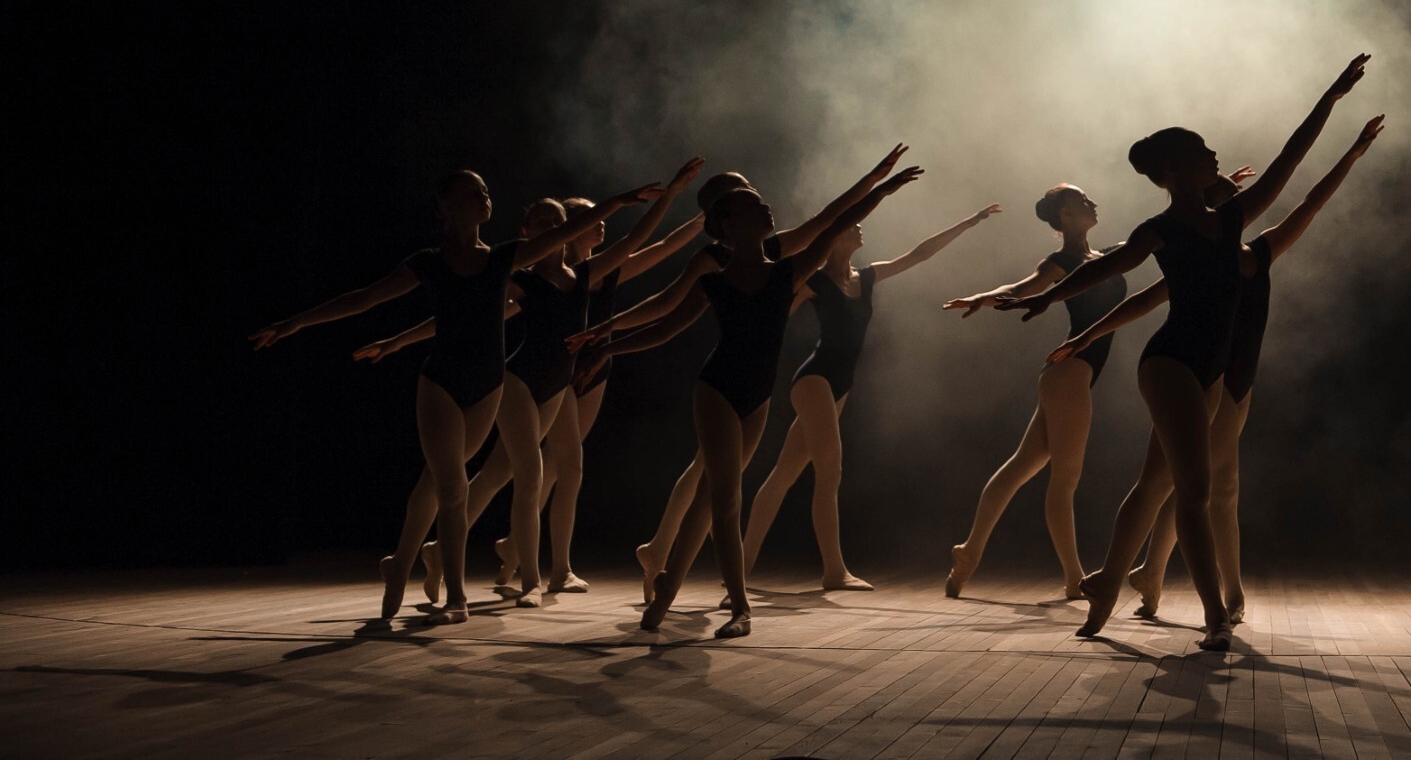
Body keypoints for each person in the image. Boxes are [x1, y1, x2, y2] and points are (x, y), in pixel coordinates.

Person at [998, 54, 1369, 650]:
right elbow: (1112, 272)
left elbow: (1291, 164)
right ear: (1174, 170)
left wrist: (1331, 98)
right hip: (1169, 363)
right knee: (1193, 494)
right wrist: (1046, 298)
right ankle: (1215, 615)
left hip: (1210, 372)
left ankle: (1106, 589)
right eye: (1201, 149)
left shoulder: (1234, 220)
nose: (1214, 153)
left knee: (1154, 485)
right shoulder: (1160, 230)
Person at [249, 170, 656, 623]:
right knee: (453, 485)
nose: (484, 195)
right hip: (443, 381)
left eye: (486, 190)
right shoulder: (431, 262)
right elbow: (366, 297)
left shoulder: (504, 259)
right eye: (471, 191)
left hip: (488, 387)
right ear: (444, 207)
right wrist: (296, 322)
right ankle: (457, 596)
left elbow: (573, 233)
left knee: (442, 482)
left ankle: (402, 563)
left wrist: (619, 202)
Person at [576, 165, 923, 637]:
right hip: (717, 389)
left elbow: (833, 222)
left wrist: (883, 188)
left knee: (708, 499)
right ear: (728, 225)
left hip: (757, 398)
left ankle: (666, 588)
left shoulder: (788, 271)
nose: (766, 205)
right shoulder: (715, 278)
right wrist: (608, 343)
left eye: (761, 201)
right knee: (725, 498)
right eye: (752, 204)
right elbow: (665, 321)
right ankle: (740, 608)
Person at [356, 157, 704, 599]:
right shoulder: (521, 280)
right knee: (524, 474)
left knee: (521, 471)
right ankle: (529, 578)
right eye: (543, 222)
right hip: (520, 380)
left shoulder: (586, 274)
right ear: (533, 232)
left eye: (557, 222)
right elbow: (463, 315)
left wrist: (674, 196)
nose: (555, 228)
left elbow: (643, 239)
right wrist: (398, 341)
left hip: (560, 383)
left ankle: (451, 554)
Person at [936, 171, 1239, 601]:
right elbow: (1023, 287)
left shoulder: (1108, 254)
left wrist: (1210, 196)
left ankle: (969, 551)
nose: (1092, 203)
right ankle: (1073, 577)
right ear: (1066, 215)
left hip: (1068, 374)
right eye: (1082, 200)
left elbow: (1168, 230)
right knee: (1064, 479)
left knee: (1023, 465)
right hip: (1070, 373)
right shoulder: (1061, 262)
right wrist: (982, 298)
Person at [741, 203, 1001, 591]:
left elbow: (920, 254)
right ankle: (834, 571)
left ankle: (740, 568)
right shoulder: (815, 282)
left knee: (784, 473)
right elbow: (772, 319)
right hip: (814, 380)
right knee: (830, 471)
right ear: (833, 238)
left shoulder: (867, 275)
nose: (860, 227)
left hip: (839, 384)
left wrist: (968, 221)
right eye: (852, 225)